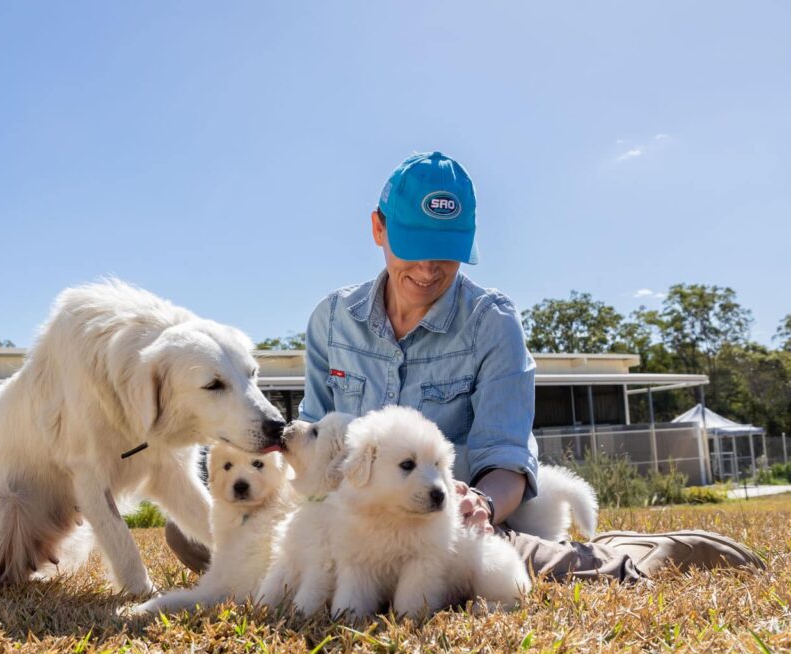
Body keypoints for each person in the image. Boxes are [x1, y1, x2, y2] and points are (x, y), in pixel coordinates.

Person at [166, 151, 763, 581]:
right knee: (196, 535)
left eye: (447, 255)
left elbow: (507, 457)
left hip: (454, 515)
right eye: (414, 249)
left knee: (520, 570)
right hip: (355, 518)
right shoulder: (331, 320)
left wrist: (480, 504)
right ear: (378, 228)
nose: (429, 271)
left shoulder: (491, 322)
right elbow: (314, 446)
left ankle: (640, 554)